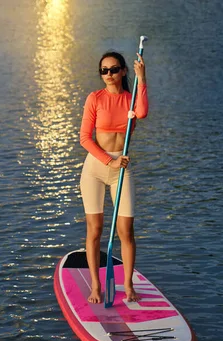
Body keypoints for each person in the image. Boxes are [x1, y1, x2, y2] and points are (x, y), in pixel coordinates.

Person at [79, 50, 148, 304]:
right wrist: (110, 160)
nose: (109, 75)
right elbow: (85, 139)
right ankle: (96, 286)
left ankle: (128, 285)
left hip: (122, 171)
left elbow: (142, 113)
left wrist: (142, 79)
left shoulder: (131, 100)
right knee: (95, 230)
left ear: (123, 71)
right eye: (104, 71)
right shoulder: (94, 98)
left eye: (114, 69)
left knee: (125, 231)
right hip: (96, 169)